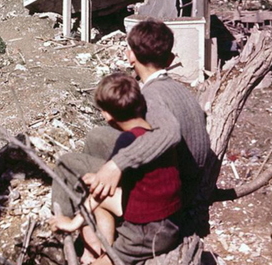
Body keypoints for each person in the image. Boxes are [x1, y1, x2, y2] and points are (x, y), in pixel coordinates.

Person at [52, 18, 211, 237]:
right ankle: (96, 212)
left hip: (171, 197)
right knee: (97, 136)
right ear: (171, 59)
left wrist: (116, 166)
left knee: (66, 162)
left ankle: (64, 230)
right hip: (188, 178)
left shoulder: (152, 97)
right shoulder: (178, 89)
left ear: (131, 56)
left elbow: (170, 133)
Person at [50, 72, 182, 265]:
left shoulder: (126, 142)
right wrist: (98, 179)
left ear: (109, 116)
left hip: (149, 233)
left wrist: (73, 222)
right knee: (100, 202)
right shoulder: (154, 135)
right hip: (168, 217)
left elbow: (103, 190)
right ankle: (104, 247)